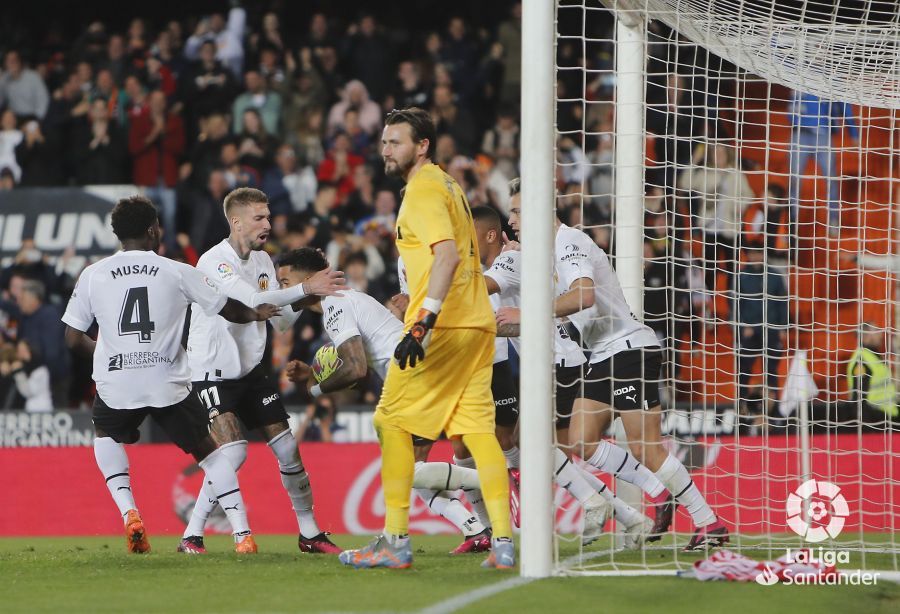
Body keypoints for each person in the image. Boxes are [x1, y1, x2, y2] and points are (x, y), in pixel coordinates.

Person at [498, 180, 727, 552]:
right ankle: (658, 491)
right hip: (602, 355)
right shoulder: (545, 253)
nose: (512, 220)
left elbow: (584, 296)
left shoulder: (569, 242)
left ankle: (707, 521)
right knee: (580, 440)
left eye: (518, 211)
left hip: (627, 348)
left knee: (645, 448)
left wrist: (527, 310)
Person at [338, 108, 512, 570]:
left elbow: (448, 256)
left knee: (390, 422)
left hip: (444, 327)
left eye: (395, 142)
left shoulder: (423, 190)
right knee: (478, 432)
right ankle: (505, 542)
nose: (385, 150)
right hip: (477, 326)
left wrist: (422, 323)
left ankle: (395, 541)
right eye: (384, 142)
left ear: (422, 146)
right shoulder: (449, 185)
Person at [61, 195, 275, 554]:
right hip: (167, 381)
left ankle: (130, 513)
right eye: (158, 226)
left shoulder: (92, 274)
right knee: (209, 452)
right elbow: (227, 309)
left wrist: (110, 354)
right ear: (151, 230)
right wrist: (256, 314)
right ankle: (242, 535)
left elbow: (70, 338)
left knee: (105, 435)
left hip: (118, 383)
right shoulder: (177, 270)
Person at [277, 248, 492, 554]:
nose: (284, 291)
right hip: (419, 375)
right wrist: (314, 374)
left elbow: (355, 368)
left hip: (411, 378)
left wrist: (314, 390)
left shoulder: (336, 305)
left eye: (286, 281)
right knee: (412, 470)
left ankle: (494, 478)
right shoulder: (347, 300)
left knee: (404, 470)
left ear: (310, 280)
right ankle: (476, 530)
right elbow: (357, 370)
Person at [181, 187, 347, 555]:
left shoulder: (263, 262)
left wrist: (308, 292)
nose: (268, 224)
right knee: (234, 453)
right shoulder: (214, 261)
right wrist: (306, 286)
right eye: (259, 217)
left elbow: (282, 322)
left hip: (251, 373)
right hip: (211, 372)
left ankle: (309, 534)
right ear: (236, 221)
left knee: (288, 449)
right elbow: (253, 301)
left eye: (268, 216)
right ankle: (192, 534)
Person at [788, 90, 859, 229]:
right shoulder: (798, 72)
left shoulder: (830, 77)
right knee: (794, 179)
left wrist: (853, 132)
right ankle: (791, 222)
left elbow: (844, 103)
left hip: (824, 134)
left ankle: (833, 219)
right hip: (800, 132)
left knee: (831, 179)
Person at [846, 324, 898, 423]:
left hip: (888, 416)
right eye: (876, 331)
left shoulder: (874, 356)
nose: (880, 335)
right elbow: (858, 399)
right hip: (875, 420)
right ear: (866, 336)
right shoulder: (861, 361)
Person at [0, 340, 52, 412]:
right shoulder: (20, 367)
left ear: (29, 349)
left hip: (41, 410)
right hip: (22, 411)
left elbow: (28, 391)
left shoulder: (40, 369)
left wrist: (18, 372)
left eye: (23, 349)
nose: (20, 352)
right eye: (19, 350)